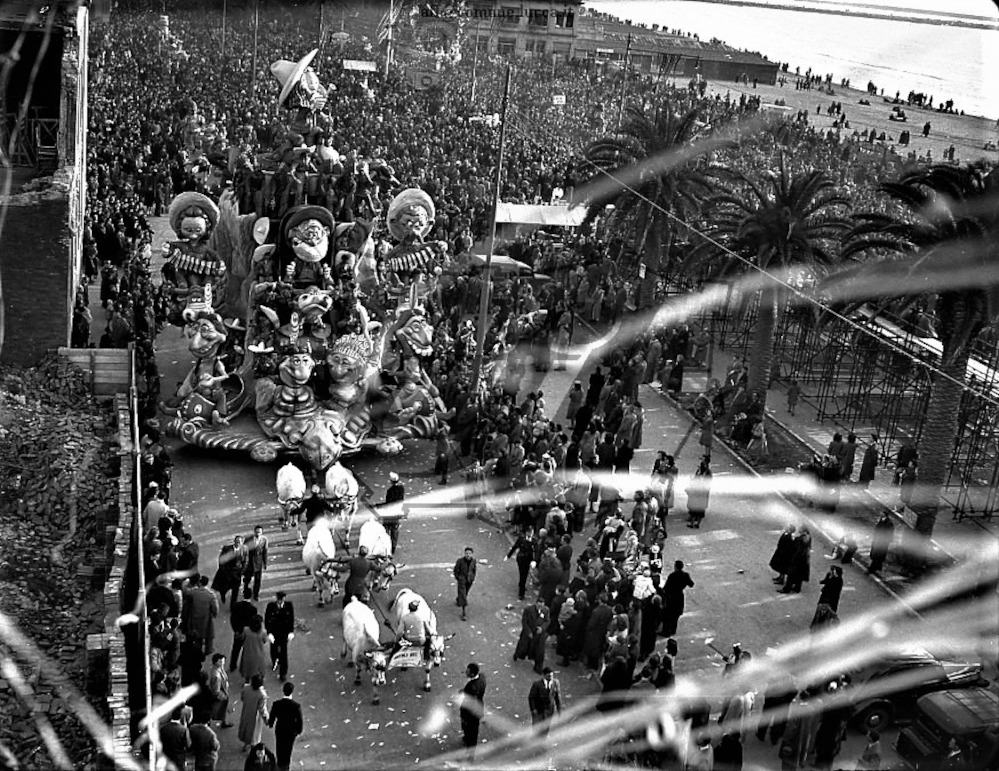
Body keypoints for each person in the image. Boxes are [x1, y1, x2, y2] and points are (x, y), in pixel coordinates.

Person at [267, 682, 303, 771]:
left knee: (279, 747)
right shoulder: (296, 706)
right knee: (288, 749)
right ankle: (286, 766)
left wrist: (271, 724)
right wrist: (298, 731)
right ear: (292, 692)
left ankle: (279, 764)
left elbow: (272, 717)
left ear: (283, 691)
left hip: (280, 729)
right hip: (291, 731)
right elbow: (299, 720)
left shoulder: (277, 704)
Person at [514, 596, 551, 674]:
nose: (540, 607)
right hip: (529, 632)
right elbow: (524, 621)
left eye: (542, 605)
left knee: (539, 652)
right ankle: (517, 655)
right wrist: (528, 632)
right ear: (536, 603)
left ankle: (538, 667)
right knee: (523, 647)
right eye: (539, 605)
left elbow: (547, 621)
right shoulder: (528, 610)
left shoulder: (546, 610)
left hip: (539, 635)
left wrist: (542, 628)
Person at [264, 592, 295, 681]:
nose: (281, 602)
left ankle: (283, 673)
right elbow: (267, 619)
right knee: (273, 649)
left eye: (282, 600)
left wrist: (291, 631)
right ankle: (275, 660)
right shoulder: (270, 606)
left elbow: (291, 619)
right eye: (279, 600)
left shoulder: (289, 605)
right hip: (274, 632)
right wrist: (269, 632)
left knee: (284, 652)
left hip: (284, 633)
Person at [212, 534, 248, 612]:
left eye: (240, 542)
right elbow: (221, 561)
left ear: (242, 543)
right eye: (236, 541)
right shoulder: (227, 549)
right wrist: (224, 571)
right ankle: (223, 594)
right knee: (225, 587)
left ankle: (232, 607)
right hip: (227, 572)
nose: (238, 543)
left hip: (237, 574)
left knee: (235, 591)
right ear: (234, 542)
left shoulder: (244, 549)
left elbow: (245, 561)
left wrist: (242, 571)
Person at [661, 560, 694, 637]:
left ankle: (666, 632)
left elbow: (666, 588)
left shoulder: (672, 575)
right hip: (679, 597)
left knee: (668, 614)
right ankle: (673, 630)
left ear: (675, 567)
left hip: (671, 597)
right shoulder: (685, 575)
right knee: (676, 615)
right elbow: (691, 584)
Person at [458, 662, 486, 751]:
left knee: (471, 730)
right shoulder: (482, 678)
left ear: (472, 674)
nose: (465, 672)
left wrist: (465, 692)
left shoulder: (472, 688)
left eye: (467, 671)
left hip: (471, 712)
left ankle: (471, 750)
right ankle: (468, 739)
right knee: (471, 729)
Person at [238, 674, 269, 752]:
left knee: (246, 728)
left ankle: (246, 744)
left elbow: (242, 698)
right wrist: (267, 719)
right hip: (255, 716)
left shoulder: (246, 688)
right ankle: (252, 748)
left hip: (246, 712)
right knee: (254, 733)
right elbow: (262, 709)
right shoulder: (262, 694)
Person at [505, 526, 538, 600]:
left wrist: (534, 560)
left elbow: (537, 551)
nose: (531, 534)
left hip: (528, 560)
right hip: (521, 559)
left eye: (531, 532)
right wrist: (508, 555)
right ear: (526, 532)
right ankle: (521, 592)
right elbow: (515, 547)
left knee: (524, 575)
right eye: (529, 532)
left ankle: (521, 585)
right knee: (522, 574)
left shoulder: (534, 541)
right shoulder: (521, 539)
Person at [527, 667, 562, 735]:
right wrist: (533, 709)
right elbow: (531, 697)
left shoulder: (556, 683)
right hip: (538, 710)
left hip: (549, 710)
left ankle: (543, 740)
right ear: (544, 675)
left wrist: (559, 709)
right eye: (549, 676)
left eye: (552, 676)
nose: (550, 678)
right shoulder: (537, 684)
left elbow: (557, 697)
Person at [780, 527, 812, 594]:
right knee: (799, 575)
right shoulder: (808, 538)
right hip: (804, 560)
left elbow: (794, 547)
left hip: (797, 559)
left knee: (791, 574)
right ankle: (797, 588)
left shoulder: (799, 539)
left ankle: (787, 589)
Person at [207, 653, 234, 729]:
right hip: (220, 695)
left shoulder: (218, 668)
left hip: (223, 691)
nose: (223, 663)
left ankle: (224, 722)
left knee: (222, 709)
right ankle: (208, 723)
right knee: (215, 710)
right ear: (216, 662)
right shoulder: (216, 676)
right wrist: (224, 697)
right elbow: (216, 691)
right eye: (221, 661)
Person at [243, 525, 269, 602]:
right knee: (247, 579)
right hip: (249, 562)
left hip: (258, 562)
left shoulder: (264, 540)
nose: (258, 534)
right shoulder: (248, 539)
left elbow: (265, 552)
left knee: (258, 580)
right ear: (254, 532)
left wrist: (265, 563)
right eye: (256, 532)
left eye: (259, 532)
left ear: (262, 532)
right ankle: (246, 591)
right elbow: (244, 551)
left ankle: (256, 594)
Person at [685, 457, 712, 528]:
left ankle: (693, 522)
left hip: (699, 492)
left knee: (696, 508)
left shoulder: (707, 473)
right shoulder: (700, 472)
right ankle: (696, 522)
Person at [453, 547, 477, 620]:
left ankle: (458, 599)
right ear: (464, 553)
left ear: (472, 554)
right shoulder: (460, 561)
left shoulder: (473, 561)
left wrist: (472, 578)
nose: (468, 555)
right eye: (467, 553)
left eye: (469, 553)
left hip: (469, 580)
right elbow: (456, 570)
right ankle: (464, 613)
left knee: (465, 593)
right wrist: (458, 578)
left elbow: (474, 570)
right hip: (462, 580)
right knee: (463, 596)